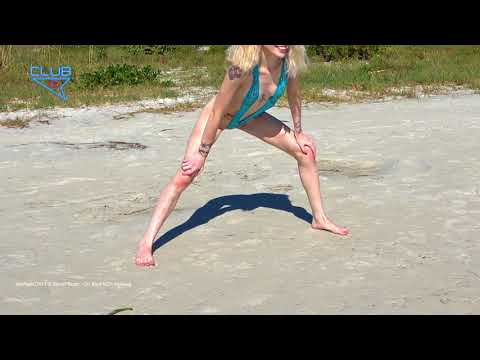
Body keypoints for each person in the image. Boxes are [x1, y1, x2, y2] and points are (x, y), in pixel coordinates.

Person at [135, 45, 349, 267]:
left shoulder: (288, 65)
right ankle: (146, 241)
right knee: (186, 174)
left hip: (251, 117)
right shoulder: (242, 68)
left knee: (306, 152)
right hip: (219, 118)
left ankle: (319, 219)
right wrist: (201, 153)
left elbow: (294, 95)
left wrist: (298, 132)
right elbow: (217, 111)